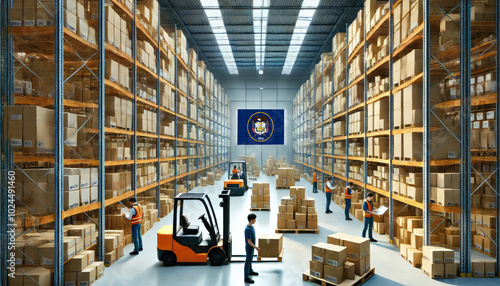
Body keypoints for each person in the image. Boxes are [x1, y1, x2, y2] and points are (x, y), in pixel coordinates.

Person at [244, 213, 260, 284]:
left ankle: (250, 271)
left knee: (250, 259)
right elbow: (249, 241)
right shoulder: (248, 229)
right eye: (254, 219)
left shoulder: (252, 227)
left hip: (252, 247)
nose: (255, 220)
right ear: (251, 220)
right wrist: (256, 247)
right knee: (248, 261)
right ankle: (246, 277)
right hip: (249, 247)